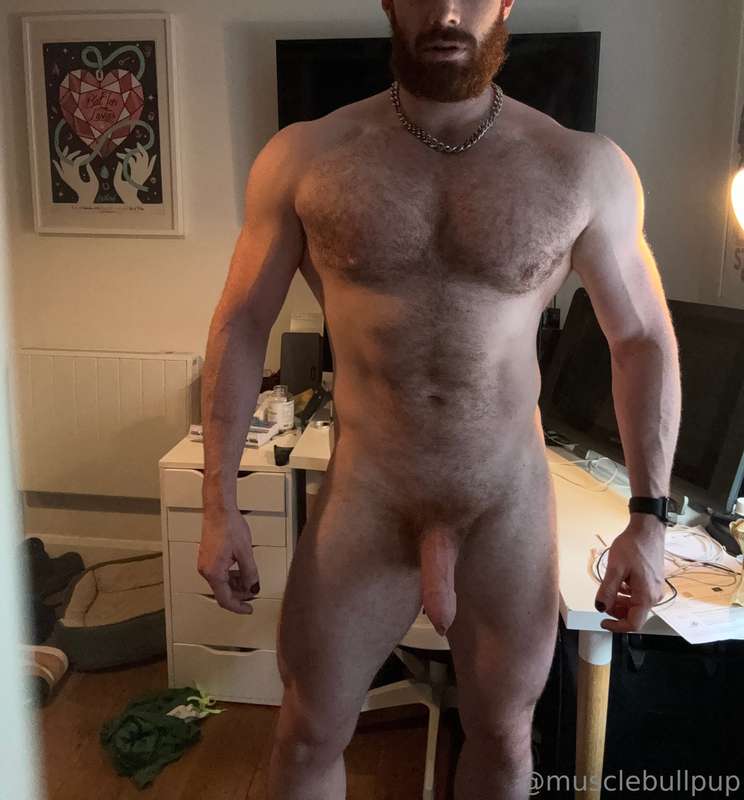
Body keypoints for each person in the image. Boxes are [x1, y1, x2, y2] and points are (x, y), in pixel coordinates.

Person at [197, 1, 682, 797]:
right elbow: (242, 324)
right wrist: (220, 502)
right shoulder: (306, 157)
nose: (449, 11)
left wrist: (649, 518)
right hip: (367, 494)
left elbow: (641, 340)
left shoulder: (583, 167)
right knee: (309, 730)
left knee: (504, 735)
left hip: (504, 500)